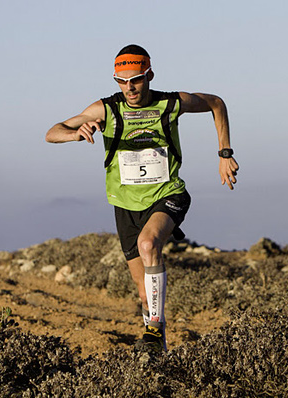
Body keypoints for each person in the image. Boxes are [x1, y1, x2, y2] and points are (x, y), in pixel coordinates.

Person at [45, 44, 239, 354]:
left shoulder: (170, 103)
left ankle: (152, 330)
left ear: (148, 75)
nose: (129, 88)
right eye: (121, 81)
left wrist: (224, 153)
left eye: (135, 79)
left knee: (148, 245)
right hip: (125, 205)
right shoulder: (106, 109)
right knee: (144, 294)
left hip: (167, 194)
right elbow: (52, 131)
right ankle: (157, 349)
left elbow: (216, 103)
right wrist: (75, 133)